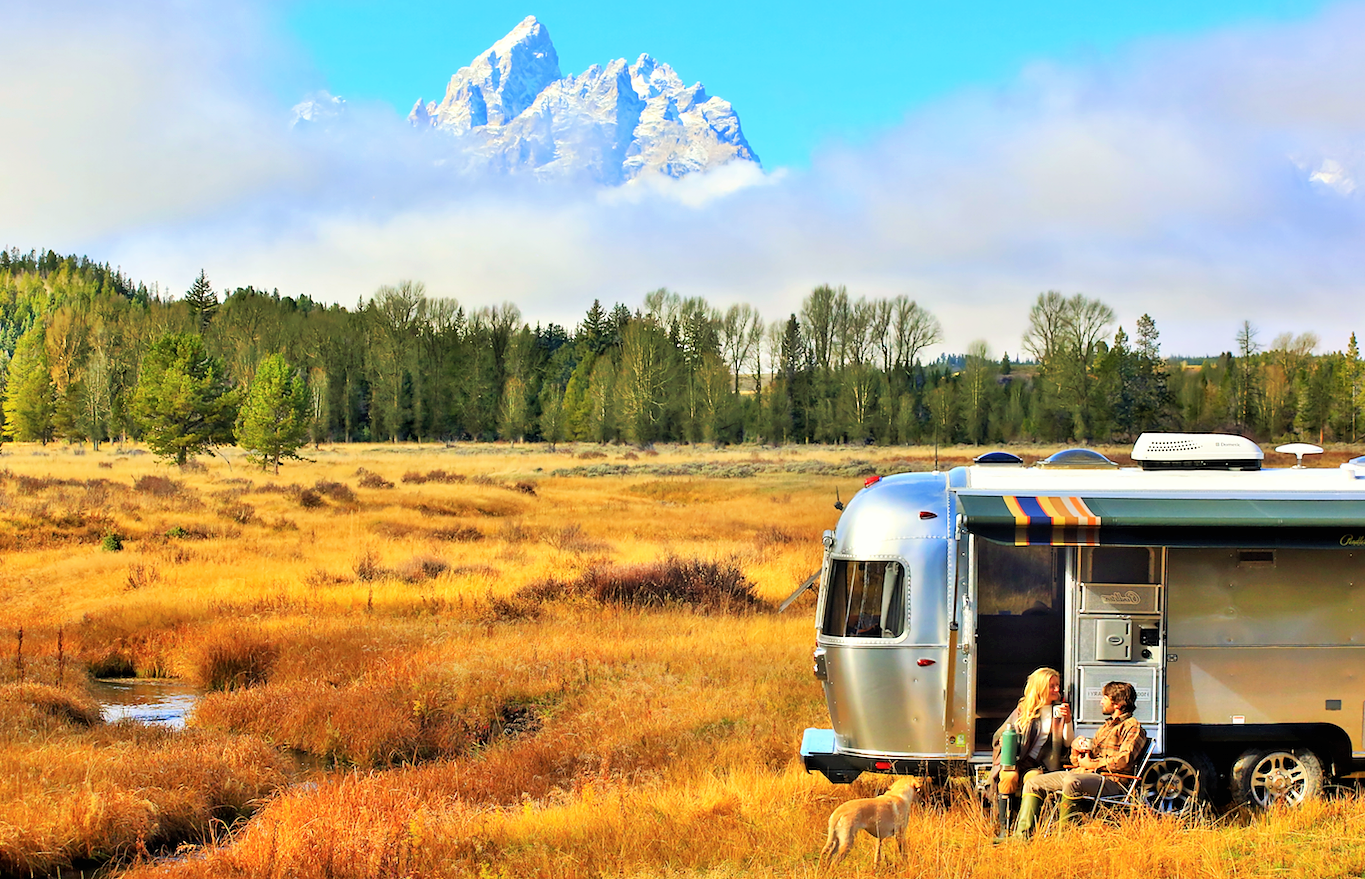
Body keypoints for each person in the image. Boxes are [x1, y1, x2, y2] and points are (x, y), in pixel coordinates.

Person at [1013, 680, 1147, 838]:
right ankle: (1021, 837)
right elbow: (1082, 761)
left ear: (1117, 704)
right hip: (1086, 774)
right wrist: (1077, 751)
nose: (1101, 702)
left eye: (1105, 698)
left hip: (1112, 781)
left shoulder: (1132, 727)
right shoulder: (1106, 727)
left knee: (1072, 782)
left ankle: (1065, 837)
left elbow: (1125, 759)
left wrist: (1093, 764)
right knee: (1033, 783)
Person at [989, 668, 1073, 829]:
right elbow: (1000, 736)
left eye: (1058, 685)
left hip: (1038, 764)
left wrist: (1068, 720)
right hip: (1017, 761)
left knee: (1033, 780)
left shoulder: (1058, 711)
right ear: (1040, 688)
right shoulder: (1023, 710)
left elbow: (1068, 742)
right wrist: (1005, 741)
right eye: (1052, 686)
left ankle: (1024, 827)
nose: (1057, 689)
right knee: (1008, 778)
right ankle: (1004, 826)